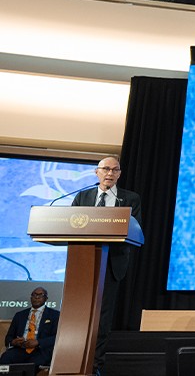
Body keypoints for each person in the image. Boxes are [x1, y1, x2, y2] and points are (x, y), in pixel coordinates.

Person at [71, 156, 142, 375]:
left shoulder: (129, 199)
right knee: (78, 315)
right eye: (105, 169)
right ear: (97, 172)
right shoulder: (83, 196)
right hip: (82, 263)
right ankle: (73, 362)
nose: (109, 173)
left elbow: (136, 230)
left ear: (119, 174)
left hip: (111, 264)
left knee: (102, 319)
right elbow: (69, 224)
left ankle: (95, 366)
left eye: (114, 170)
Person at [1, 287, 60, 367]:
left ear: (46, 298)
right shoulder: (20, 315)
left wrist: (38, 342)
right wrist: (14, 342)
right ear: (31, 297)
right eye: (34, 295)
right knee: (5, 358)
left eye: (40, 295)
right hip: (21, 349)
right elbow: (9, 338)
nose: (36, 297)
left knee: (32, 365)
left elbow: (57, 337)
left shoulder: (55, 315)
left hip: (40, 350)